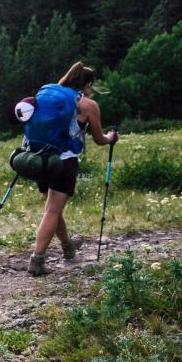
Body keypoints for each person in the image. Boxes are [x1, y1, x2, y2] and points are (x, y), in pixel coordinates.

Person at [28, 62, 117, 276]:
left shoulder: (48, 96)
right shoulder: (87, 104)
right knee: (52, 211)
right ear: (88, 84)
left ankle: (68, 246)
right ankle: (37, 261)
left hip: (41, 159)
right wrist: (110, 138)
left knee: (53, 210)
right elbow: (98, 139)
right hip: (65, 161)